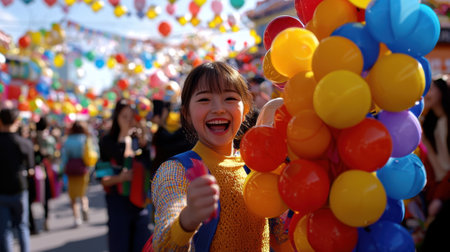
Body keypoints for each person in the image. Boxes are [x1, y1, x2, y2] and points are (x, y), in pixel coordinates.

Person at [151, 62, 273, 251]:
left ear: (246, 107)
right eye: (204, 99)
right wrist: (187, 219)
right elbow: (163, 241)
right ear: (187, 113)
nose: (218, 109)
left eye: (230, 98)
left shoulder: (256, 166)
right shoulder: (174, 171)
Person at [97, 98, 152, 252]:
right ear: (117, 118)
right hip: (118, 203)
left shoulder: (139, 141)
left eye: (131, 116)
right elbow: (103, 179)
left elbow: (149, 166)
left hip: (139, 202)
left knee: (142, 246)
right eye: (124, 116)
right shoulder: (107, 142)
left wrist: (142, 140)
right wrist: (121, 178)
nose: (128, 121)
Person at [420, 76, 450, 251]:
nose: (426, 94)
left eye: (430, 89)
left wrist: (439, 197)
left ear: (442, 91)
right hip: (440, 189)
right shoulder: (432, 125)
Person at [0, 106, 34, 252]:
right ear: (16, 121)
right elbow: (31, 169)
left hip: (1, 191)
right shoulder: (25, 143)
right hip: (20, 189)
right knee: (22, 226)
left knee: (4, 230)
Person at [60, 121, 92, 227]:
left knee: (73, 196)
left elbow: (64, 157)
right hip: (83, 169)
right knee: (83, 193)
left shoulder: (68, 140)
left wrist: (62, 168)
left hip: (71, 170)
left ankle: (77, 218)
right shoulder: (86, 139)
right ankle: (84, 208)